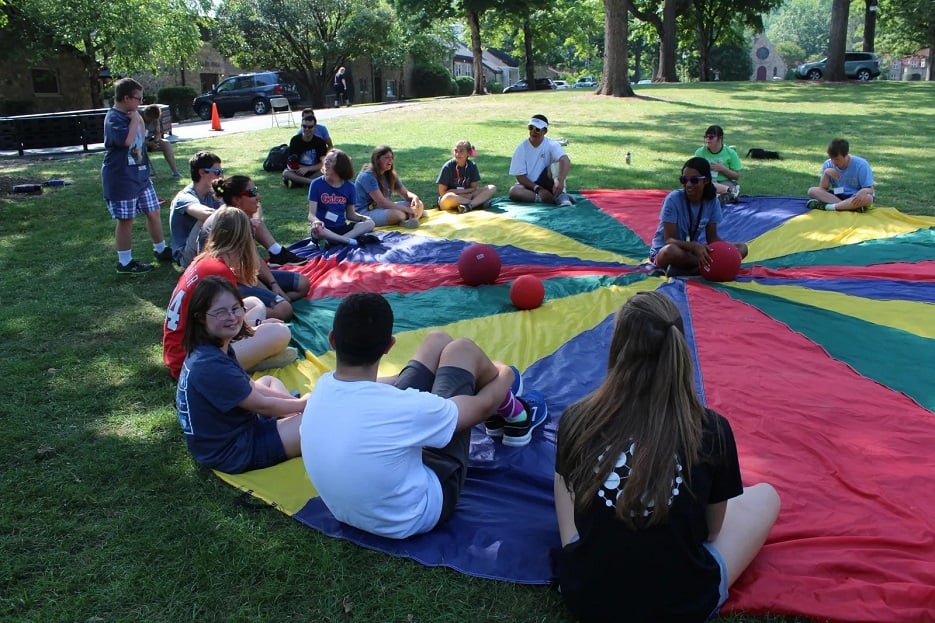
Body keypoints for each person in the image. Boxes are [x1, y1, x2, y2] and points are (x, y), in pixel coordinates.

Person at [553, 291, 781, 622]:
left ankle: (580, 552)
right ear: (678, 349)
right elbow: (712, 533)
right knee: (766, 496)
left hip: (587, 596)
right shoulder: (711, 429)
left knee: (564, 475)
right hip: (683, 604)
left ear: (618, 348)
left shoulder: (577, 418)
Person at [300, 292, 548, 539]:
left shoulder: (321, 389)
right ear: (389, 346)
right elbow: (480, 407)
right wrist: (505, 374)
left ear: (332, 340)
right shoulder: (402, 408)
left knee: (437, 339)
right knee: (462, 350)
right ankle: (516, 415)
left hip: (348, 512)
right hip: (415, 514)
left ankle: (505, 406)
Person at [176, 276, 306, 474]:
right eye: (221, 312)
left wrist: (297, 408)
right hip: (234, 451)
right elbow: (262, 405)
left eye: (236, 308)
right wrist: (303, 405)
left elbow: (254, 388)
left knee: (269, 381)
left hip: (235, 430)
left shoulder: (213, 347)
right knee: (318, 421)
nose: (232, 317)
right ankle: (296, 419)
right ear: (201, 317)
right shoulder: (210, 365)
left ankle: (292, 417)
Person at [163, 206, 295, 380]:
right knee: (280, 332)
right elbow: (222, 325)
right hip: (194, 362)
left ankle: (249, 356)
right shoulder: (219, 271)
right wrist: (257, 329)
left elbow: (217, 319)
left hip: (185, 349)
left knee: (255, 302)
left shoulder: (205, 259)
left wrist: (254, 327)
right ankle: (245, 362)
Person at [201, 176, 310, 321]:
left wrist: (274, 284)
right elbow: (238, 272)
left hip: (242, 273)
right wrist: (271, 293)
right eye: (252, 192)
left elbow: (253, 257)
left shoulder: (242, 217)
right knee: (285, 310)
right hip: (224, 284)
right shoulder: (230, 222)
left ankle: (267, 306)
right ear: (236, 200)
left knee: (303, 283)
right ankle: (244, 313)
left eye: (256, 190)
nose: (258, 197)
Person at [101, 77, 172, 274]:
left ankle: (161, 249)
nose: (141, 103)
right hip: (121, 178)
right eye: (138, 99)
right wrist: (134, 120)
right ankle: (124, 262)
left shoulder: (134, 115)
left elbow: (140, 139)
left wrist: (138, 119)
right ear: (125, 98)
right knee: (126, 219)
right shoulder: (114, 118)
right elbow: (126, 140)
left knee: (153, 211)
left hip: (140, 175)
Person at [650, 157, 748, 275]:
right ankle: (707, 265)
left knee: (742, 248)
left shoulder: (712, 201)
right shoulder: (673, 199)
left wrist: (726, 251)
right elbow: (669, 240)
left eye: (694, 180)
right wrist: (694, 247)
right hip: (667, 251)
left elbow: (712, 239)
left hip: (691, 252)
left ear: (706, 180)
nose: (688, 184)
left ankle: (691, 268)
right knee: (671, 251)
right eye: (684, 180)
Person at [308, 149, 377, 249]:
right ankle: (347, 241)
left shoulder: (350, 187)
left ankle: (336, 241)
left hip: (341, 228)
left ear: (340, 166)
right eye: (326, 160)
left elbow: (350, 215)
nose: (326, 163)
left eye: (330, 161)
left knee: (370, 223)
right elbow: (311, 214)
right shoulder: (316, 184)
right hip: (323, 229)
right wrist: (315, 221)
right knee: (318, 229)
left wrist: (363, 218)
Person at [169, 151, 223, 266]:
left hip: (208, 246)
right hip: (186, 256)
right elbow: (206, 215)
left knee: (247, 203)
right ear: (202, 172)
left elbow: (246, 199)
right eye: (217, 172)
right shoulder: (184, 197)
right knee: (206, 219)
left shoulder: (214, 190)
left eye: (222, 172)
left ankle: (272, 250)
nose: (221, 176)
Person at [508, 114, 574, 207]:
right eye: (531, 128)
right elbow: (520, 176)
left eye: (537, 129)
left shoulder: (552, 144)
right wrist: (537, 189)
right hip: (529, 186)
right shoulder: (521, 148)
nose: (533, 132)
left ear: (545, 131)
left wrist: (560, 180)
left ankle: (561, 194)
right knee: (514, 191)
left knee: (558, 164)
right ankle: (551, 198)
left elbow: (565, 160)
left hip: (548, 180)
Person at [354, 145, 424, 228]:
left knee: (419, 204)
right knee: (398, 214)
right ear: (377, 159)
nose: (390, 160)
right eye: (386, 157)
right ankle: (411, 217)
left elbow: (405, 193)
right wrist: (407, 210)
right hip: (364, 212)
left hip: (380, 208)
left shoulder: (390, 174)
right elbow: (382, 203)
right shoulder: (367, 176)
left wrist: (414, 197)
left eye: (391, 157)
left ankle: (409, 219)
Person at [806, 138, 875, 212]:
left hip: (855, 194)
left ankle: (828, 207)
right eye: (831, 158)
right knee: (812, 191)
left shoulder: (861, 165)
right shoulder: (828, 164)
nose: (834, 162)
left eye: (837, 159)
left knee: (868, 198)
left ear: (846, 155)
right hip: (838, 193)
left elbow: (870, 189)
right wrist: (826, 173)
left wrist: (862, 192)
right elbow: (823, 189)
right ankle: (849, 207)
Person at [436, 140, 497, 213]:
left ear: (468, 153)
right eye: (456, 151)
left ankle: (468, 206)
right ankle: (476, 204)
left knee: (492, 188)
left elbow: (474, 188)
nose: (458, 154)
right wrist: (460, 193)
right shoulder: (447, 167)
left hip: (468, 195)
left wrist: (461, 192)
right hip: (451, 199)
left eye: (461, 151)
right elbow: (442, 193)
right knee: (449, 196)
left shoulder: (472, 166)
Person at [694, 125, 741, 202]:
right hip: (706, 181)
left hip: (724, 182)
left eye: (711, 137)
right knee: (703, 187)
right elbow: (694, 173)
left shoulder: (730, 153)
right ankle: (724, 194)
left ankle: (720, 195)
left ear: (720, 138)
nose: (707, 140)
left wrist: (723, 169)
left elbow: (736, 176)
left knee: (714, 190)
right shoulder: (700, 152)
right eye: (705, 137)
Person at [282, 114, 328, 188]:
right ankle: (311, 182)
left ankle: (301, 182)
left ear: (315, 127)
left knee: (329, 171)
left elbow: (324, 163)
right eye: (304, 126)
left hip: (314, 170)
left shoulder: (320, 142)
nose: (307, 129)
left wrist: (308, 168)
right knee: (286, 173)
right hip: (298, 171)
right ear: (301, 126)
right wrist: (301, 168)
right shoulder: (295, 140)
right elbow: (292, 162)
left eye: (310, 127)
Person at [141, 104, 181, 178]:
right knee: (141, 149)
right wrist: (148, 144)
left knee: (166, 144)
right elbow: (135, 138)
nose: (152, 121)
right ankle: (146, 174)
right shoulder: (138, 117)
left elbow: (157, 132)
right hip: (139, 143)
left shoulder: (155, 120)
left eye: (154, 119)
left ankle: (175, 172)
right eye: (151, 119)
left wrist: (156, 141)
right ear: (146, 114)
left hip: (150, 141)